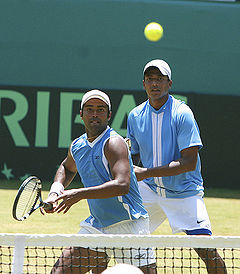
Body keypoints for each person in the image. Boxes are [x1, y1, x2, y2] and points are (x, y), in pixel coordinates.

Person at [127, 59, 227, 274]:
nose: (155, 84)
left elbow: (189, 163)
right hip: (150, 191)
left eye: (160, 79)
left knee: (206, 250)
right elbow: (133, 157)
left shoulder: (182, 113)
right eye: (150, 79)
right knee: (120, 240)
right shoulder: (135, 116)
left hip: (184, 193)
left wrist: (146, 173)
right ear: (143, 83)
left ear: (169, 83)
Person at [42, 89, 156, 274]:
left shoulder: (114, 143)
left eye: (101, 109)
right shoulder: (77, 146)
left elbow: (122, 185)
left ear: (109, 115)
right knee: (59, 272)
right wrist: (55, 191)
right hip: (97, 225)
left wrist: (78, 194)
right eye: (89, 109)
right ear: (81, 113)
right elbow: (67, 167)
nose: (95, 114)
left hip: (130, 225)